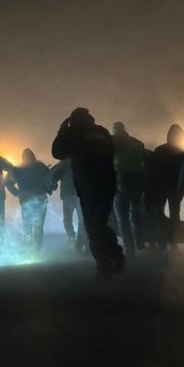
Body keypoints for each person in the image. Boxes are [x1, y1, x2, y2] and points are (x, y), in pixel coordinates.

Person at [52, 107, 124, 279]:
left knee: (93, 227)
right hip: (107, 184)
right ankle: (115, 254)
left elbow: (57, 152)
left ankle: (104, 264)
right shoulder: (101, 131)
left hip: (88, 187)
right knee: (100, 223)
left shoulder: (73, 134)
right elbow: (110, 153)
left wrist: (62, 130)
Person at [144, 124, 184, 247]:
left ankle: (162, 240)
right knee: (174, 213)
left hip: (160, 187)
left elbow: (151, 169)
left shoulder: (160, 150)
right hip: (175, 188)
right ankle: (173, 241)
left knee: (159, 213)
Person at [110, 121, 146, 257]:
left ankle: (129, 247)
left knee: (122, 217)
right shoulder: (138, 143)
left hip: (120, 182)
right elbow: (144, 163)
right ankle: (140, 242)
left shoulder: (112, 144)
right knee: (136, 212)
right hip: (137, 181)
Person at [5, 148, 51, 251]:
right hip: (40, 198)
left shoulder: (17, 168)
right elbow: (49, 179)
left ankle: (28, 249)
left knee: (27, 225)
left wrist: (17, 193)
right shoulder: (41, 166)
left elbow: (7, 182)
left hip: (26, 200)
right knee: (38, 226)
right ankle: (37, 250)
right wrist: (49, 190)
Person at [47, 159, 88, 253]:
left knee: (68, 219)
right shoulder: (80, 162)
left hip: (68, 194)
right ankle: (81, 243)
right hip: (77, 194)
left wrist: (51, 187)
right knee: (80, 220)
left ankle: (74, 239)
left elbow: (54, 177)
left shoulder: (63, 164)